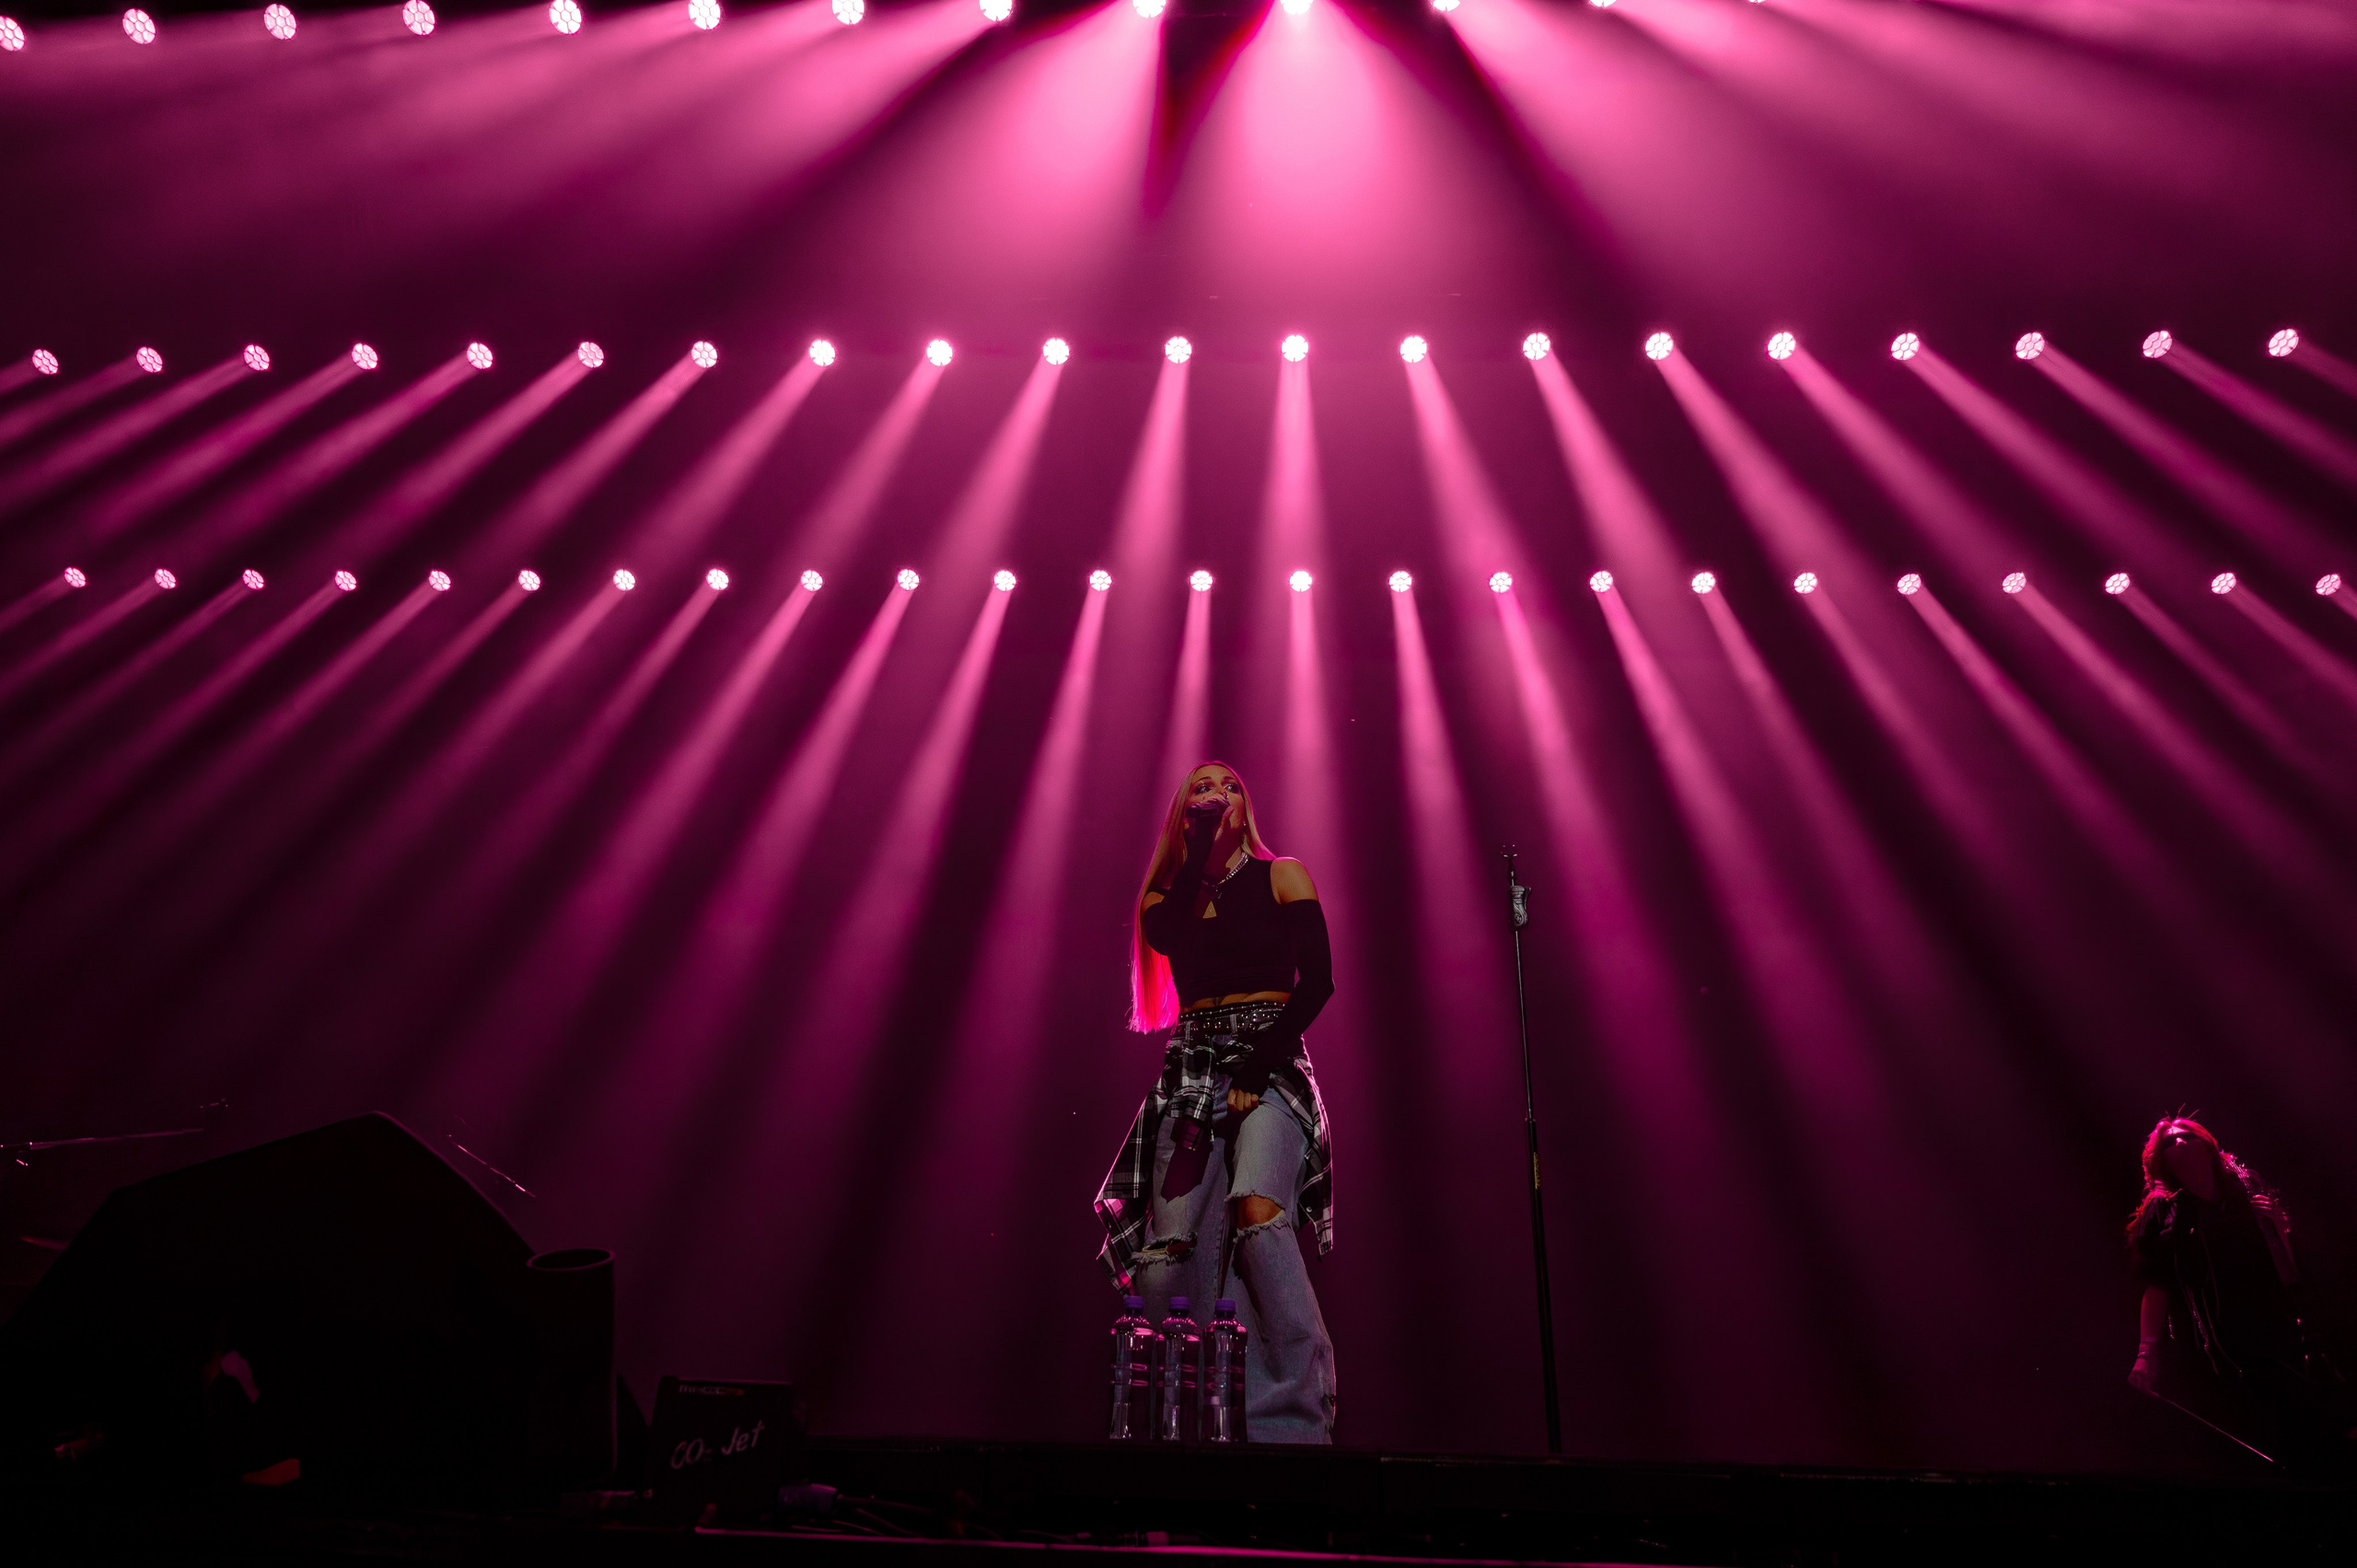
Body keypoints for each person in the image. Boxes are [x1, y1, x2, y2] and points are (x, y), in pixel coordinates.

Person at [1094, 761, 1337, 1442]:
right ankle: (1197, 1416)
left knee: (1258, 1207)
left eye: (1228, 786)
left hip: (1269, 1053)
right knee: (1167, 1254)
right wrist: (1197, 851)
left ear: (1244, 807)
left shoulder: (1282, 873)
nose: (1216, 793)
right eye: (1201, 787)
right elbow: (1171, 936)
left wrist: (1258, 1067)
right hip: (1192, 1065)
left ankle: (1294, 1414)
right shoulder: (1163, 902)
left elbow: (1318, 981)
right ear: (1183, 814)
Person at [2126, 1116, 2350, 1462]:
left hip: (2287, 1330)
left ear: (2207, 1143)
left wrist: (2279, 1229)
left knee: (2333, 1420)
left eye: (2187, 1136)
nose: (2180, 1143)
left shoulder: (2245, 1187)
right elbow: (2157, 1284)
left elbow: (2289, 1270)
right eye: (2169, 1143)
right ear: (2161, 1161)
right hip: (2227, 1345)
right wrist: (2146, 1352)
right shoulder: (2165, 1212)